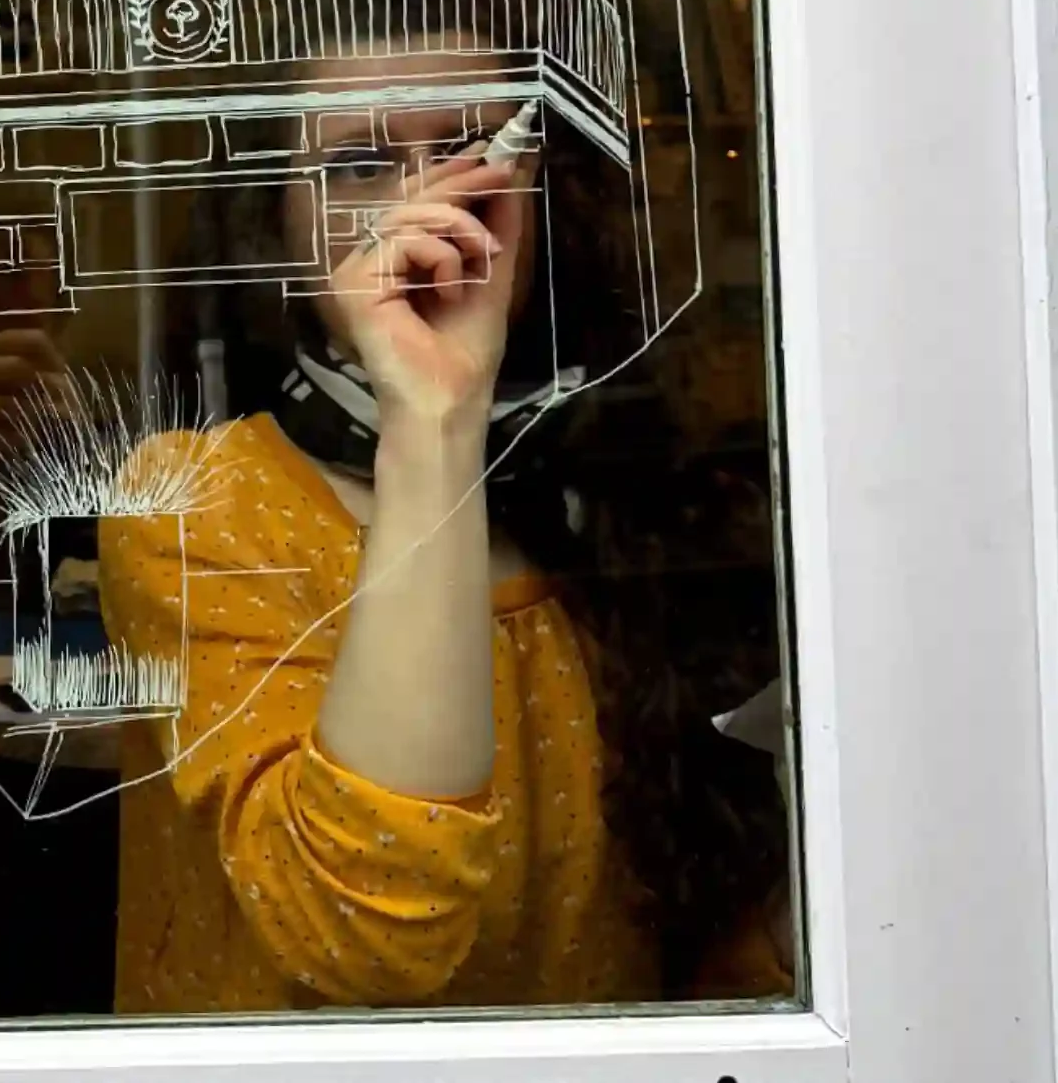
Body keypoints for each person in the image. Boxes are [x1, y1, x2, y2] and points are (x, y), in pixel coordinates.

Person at [97, 82, 660, 1013]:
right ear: (275, 224)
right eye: (358, 165)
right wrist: (433, 417)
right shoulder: (200, 501)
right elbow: (367, 939)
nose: (425, 202)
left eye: (475, 151)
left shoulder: (624, 479)